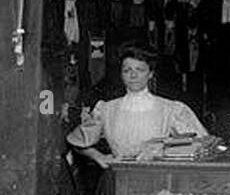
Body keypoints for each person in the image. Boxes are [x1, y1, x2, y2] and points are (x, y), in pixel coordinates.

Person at [67, 46, 208, 167]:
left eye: (140, 70)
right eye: (127, 70)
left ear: (150, 74)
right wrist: (98, 157)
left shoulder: (171, 109)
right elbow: (77, 141)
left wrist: (165, 152)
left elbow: (202, 145)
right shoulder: (106, 110)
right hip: (118, 181)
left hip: (157, 182)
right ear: (121, 74)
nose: (133, 75)